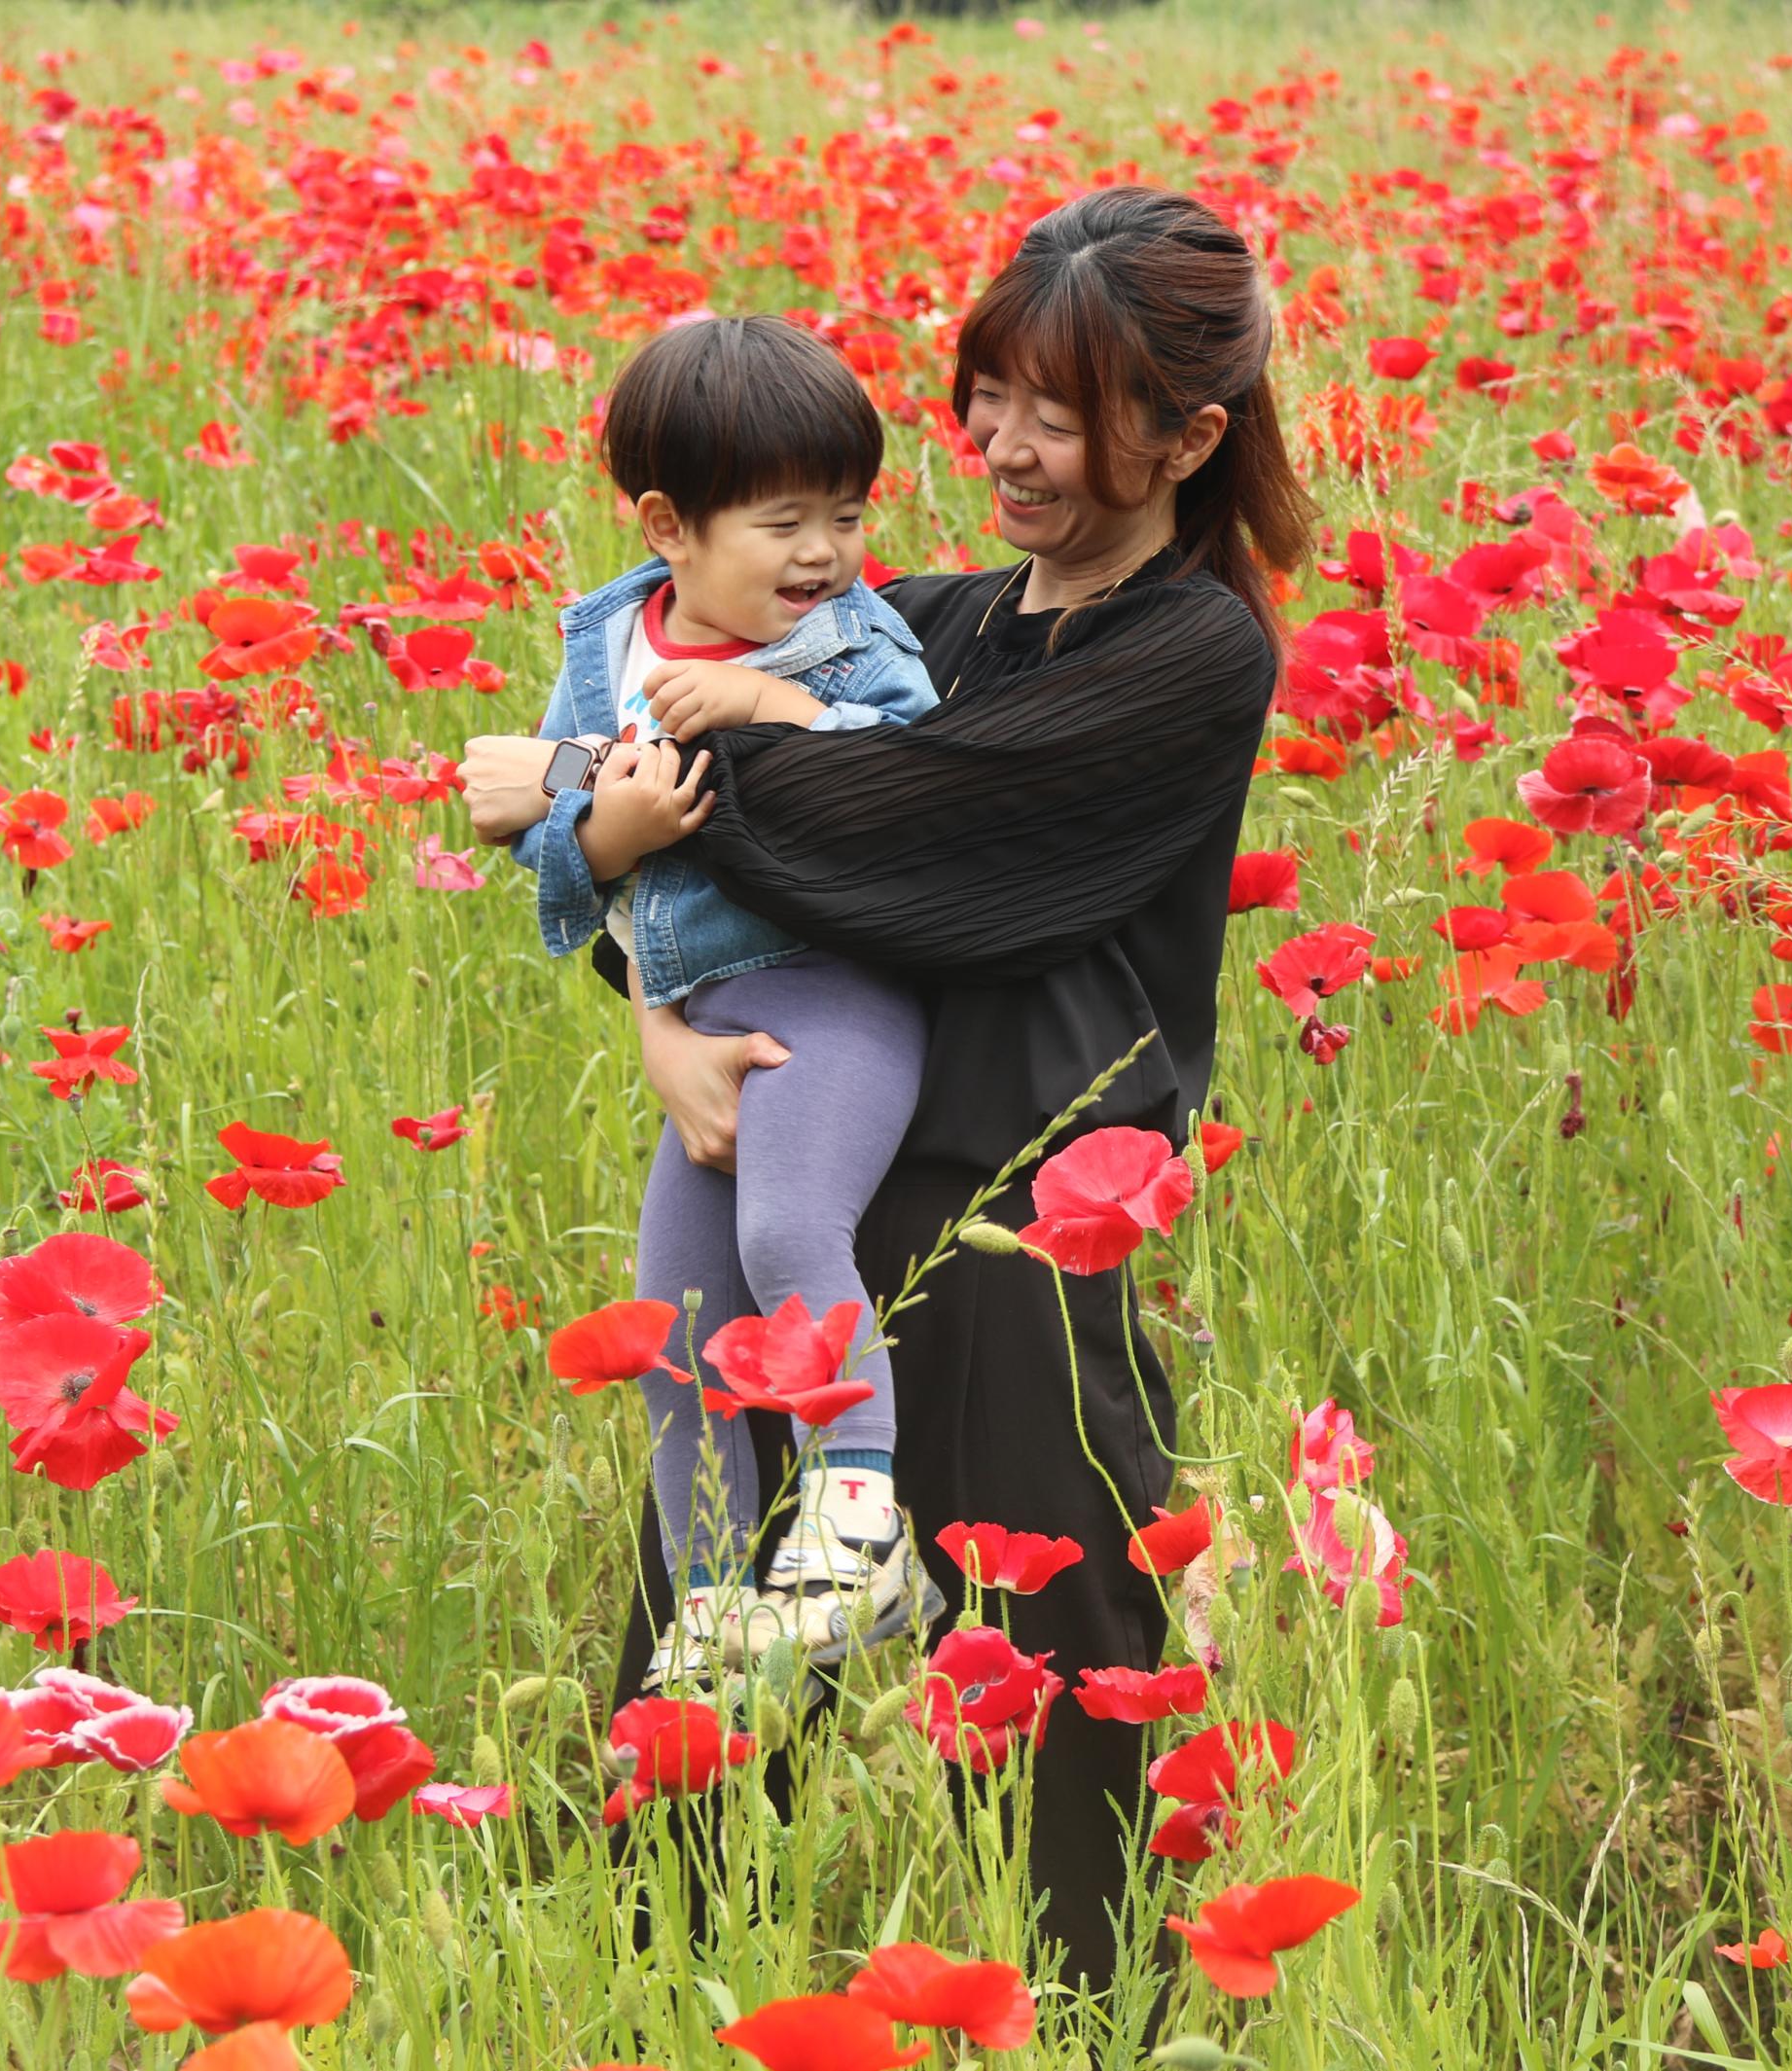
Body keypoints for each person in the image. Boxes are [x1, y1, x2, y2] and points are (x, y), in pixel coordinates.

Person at [465, 183, 1308, 1988]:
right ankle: (638, 1992)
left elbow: (898, 833)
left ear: (1189, 435)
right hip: (812, 1187)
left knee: (1064, 1662)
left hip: (1019, 1215)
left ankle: (1093, 2023)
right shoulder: (923, 615)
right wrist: (649, 1014)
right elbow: (701, 883)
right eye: (986, 393)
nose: (1000, 444)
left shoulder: (1190, 655)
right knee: (699, 1634)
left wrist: (553, 779)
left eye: (1057, 411)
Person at [486, 315, 945, 1691]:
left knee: (793, 1226)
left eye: (848, 514)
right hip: (696, 1007)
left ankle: (857, 1519)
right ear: (669, 527)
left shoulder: (854, 645)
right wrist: (597, 832)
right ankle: (711, 1607)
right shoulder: (604, 641)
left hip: (837, 993)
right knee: (671, 1323)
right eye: (782, 520)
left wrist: (776, 708)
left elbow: (921, 773)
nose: (824, 552)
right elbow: (563, 859)